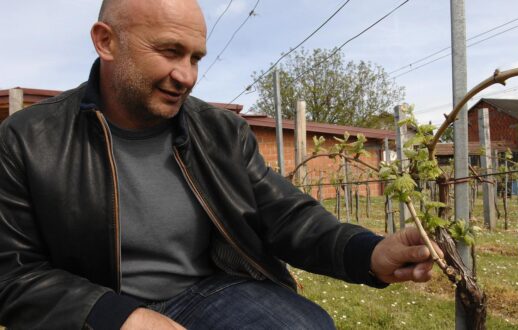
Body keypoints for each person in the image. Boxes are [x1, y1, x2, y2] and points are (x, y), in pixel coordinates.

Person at [0, 0, 441, 329]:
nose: (187, 75)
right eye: (170, 51)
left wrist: (368, 253)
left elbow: (285, 215)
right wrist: (117, 316)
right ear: (106, 41)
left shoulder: (220, 132)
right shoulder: (26, 139)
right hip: (96, 308)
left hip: (207, 292)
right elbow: (12, 273)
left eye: (195, 58)